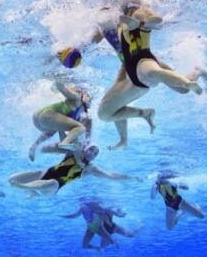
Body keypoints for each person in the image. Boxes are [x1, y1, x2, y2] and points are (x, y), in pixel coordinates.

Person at [93, 0, 207, 150]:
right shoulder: (115, 23)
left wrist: (141, 24)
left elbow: (156, 20)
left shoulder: (136, 13)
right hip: (129, 64)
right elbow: (98, 38)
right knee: (105, 111)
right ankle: (195, 73)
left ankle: (193, 77)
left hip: (142, 59)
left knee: (170, 82)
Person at [9, 145, 140, 197]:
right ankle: (32, 192)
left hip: (54, 187)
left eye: (95, 153)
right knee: (12, 178)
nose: (92, 153)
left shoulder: (90, 168)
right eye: (91, 149)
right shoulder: (73, 152)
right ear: (85, 149)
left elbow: (111, 175)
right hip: (44, 173)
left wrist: (132, 178)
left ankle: (25, 188)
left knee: (53, 182)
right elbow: (63, 141)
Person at [28, 80, 92, 161]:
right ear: (83, 94)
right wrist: (58, 80)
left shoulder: (78, 114)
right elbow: (64, 90)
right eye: (88, 95)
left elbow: (62, 132)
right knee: (81, 128)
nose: (89, 98)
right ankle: (64, 143)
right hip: (46, 116)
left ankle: (34, 147)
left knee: (51, 132)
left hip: (40, 121)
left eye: (90, 97)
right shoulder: (77, 97)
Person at [60, 200, 139, 251]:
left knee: (113, 242)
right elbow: (74, 215)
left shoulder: (96, 207)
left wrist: (119, 214)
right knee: (84, 246)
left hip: (99, 228)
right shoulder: (82, 208)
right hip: (90, 228)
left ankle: (117, 244)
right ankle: (97, 248)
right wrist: (64, 216)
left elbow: (108, 209)